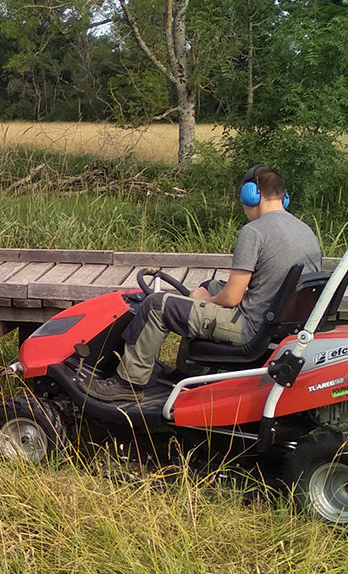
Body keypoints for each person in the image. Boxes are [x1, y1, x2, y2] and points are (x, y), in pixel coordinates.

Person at [88, 164, 322, 401]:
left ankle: (128, 383)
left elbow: (232, 298)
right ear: (285, 198)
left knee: (157, 306)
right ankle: (186, 374)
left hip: (250, 327)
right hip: (280, 324)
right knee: (209, 285)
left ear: (251, 195)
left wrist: (206, 300)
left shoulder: (254, 232)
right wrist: (207, 293)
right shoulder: (305, 231)